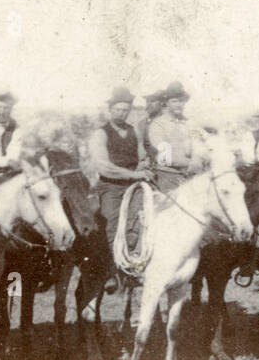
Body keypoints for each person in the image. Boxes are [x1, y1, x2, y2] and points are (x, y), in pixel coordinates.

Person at [85, 87, 153, 247]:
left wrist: (144, 167)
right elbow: (104, 167)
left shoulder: (133, 131)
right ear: (110, 109)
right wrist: (134, 174)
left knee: (144, 220)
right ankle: (114, 264)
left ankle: (137, 257)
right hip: (111, 187)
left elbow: (142, 157)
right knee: (112, 224)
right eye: (117, 109)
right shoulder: (101, 134)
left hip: (134, 185)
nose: (121, 113)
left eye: (125, 110)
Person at [146, 80, 202, 190]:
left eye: (181, 101)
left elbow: (198, 143)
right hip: (168, 176)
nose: (179, 105)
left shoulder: (190, 124)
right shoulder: (158, 125)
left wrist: (197, 159)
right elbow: (165, 158)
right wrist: (190, 163)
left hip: (191, 175)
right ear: (166, 103)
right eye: (174, 101)